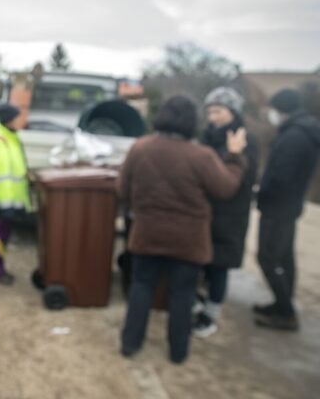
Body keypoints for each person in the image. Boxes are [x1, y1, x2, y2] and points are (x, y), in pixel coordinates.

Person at [118, 96, 247, 364]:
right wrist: (234, 157)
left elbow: (121, 190)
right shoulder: (202, 155)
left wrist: (140, 208)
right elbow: (225, 189)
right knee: (182, 294)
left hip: (147, 233)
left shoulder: (139, 148)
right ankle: (178, 352)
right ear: (192, 123)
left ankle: (130, 344)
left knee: (141, 287)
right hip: (188, 240)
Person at [194, 87, 258, 337]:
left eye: (218, 111)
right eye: (210, 111)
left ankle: (211, 313)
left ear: (232, 112)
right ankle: (198, 300)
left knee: (218, 265)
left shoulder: (244, 141)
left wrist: (232, 156)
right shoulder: (207, 137)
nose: (213, 116)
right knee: (201, 260)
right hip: (205, 210)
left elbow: (245, 177)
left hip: (229, 213)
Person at [254, 89, 320, 331]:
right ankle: (282, 302)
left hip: (278, 207)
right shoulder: (304, 131)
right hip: (289, 204)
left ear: (282, 109)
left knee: (267, 257)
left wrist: (262, 192)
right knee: (284, 257)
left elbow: (281, 175)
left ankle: (285, 311)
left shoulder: (295, 136)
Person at [0, 103, 32, 285]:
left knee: (3, 238)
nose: (19, 121)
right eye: (16, 118)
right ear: (7, 120)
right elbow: (0, 177)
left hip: (9, 203)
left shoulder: (11, 137)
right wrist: (6, 206)